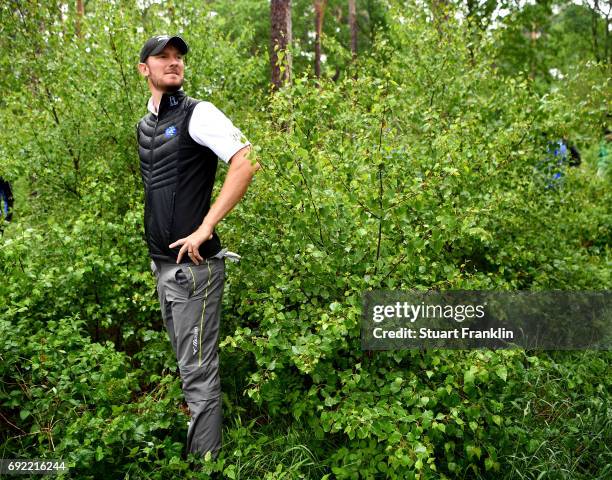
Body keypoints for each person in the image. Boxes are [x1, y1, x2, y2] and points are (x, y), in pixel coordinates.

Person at [135, 35, 260, 462]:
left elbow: (246, 159)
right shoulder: (145, 127)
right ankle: (199, 452)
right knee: (189, 370)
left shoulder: (198, 113)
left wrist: (207, 225)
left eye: (179, 57)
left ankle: (206, 465)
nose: (173, 63)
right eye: (163, 57)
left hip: (194, 269)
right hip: (163, 267)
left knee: (198, 374)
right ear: (144, 69)